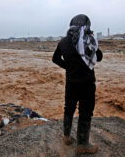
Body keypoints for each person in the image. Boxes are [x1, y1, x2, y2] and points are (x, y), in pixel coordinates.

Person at [52, 14, 103, 154]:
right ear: (87, 25)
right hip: (87, 83)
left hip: (71, 82)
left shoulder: (63, 42)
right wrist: (92, 39)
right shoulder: (88, 41)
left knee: (69, 108)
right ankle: (83, 144)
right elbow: (99, 58)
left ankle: (66, 136)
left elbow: (55, 59)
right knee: (85, 112)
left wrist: (67, 66)